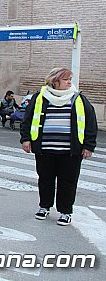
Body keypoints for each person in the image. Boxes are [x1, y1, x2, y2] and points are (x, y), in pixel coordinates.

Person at [20, 68, 97, 226]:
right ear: (55, 81)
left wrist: (89, 146)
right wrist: (26, 139)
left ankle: (65, 211)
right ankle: (44, 206)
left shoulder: (78, 99)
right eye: (66, 79)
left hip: (70, 151)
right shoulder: (40, 97)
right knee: (45, 179)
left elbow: (90, 122)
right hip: (45, 149)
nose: (69, 82)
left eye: (70, 79)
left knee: (68, 181)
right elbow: (27, 119)